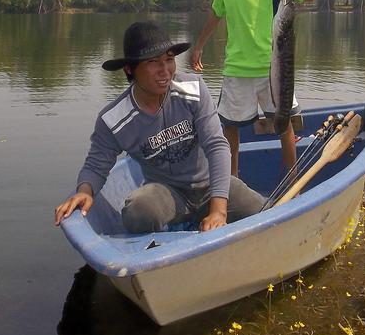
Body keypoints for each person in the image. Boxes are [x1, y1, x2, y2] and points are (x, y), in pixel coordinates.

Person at [53, 21, 265, 233]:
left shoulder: (193, 90)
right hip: (168, 194)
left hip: (210, 186)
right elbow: (95, 165)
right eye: (154, 62)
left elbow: (217, 146)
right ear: (130, 69)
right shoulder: (114, 119)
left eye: (169, 60)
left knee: (264, 211)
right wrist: (85, 191)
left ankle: (207, 216)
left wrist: (218, 211)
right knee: (138, 212)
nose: (165, 71)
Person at [191, 0, 315, 176]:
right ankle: (231, 183)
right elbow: (216, 11)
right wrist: (198, 46)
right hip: (237, 68)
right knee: (230, 128)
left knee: (283, 123)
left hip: (274, 67)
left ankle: (292, 176)